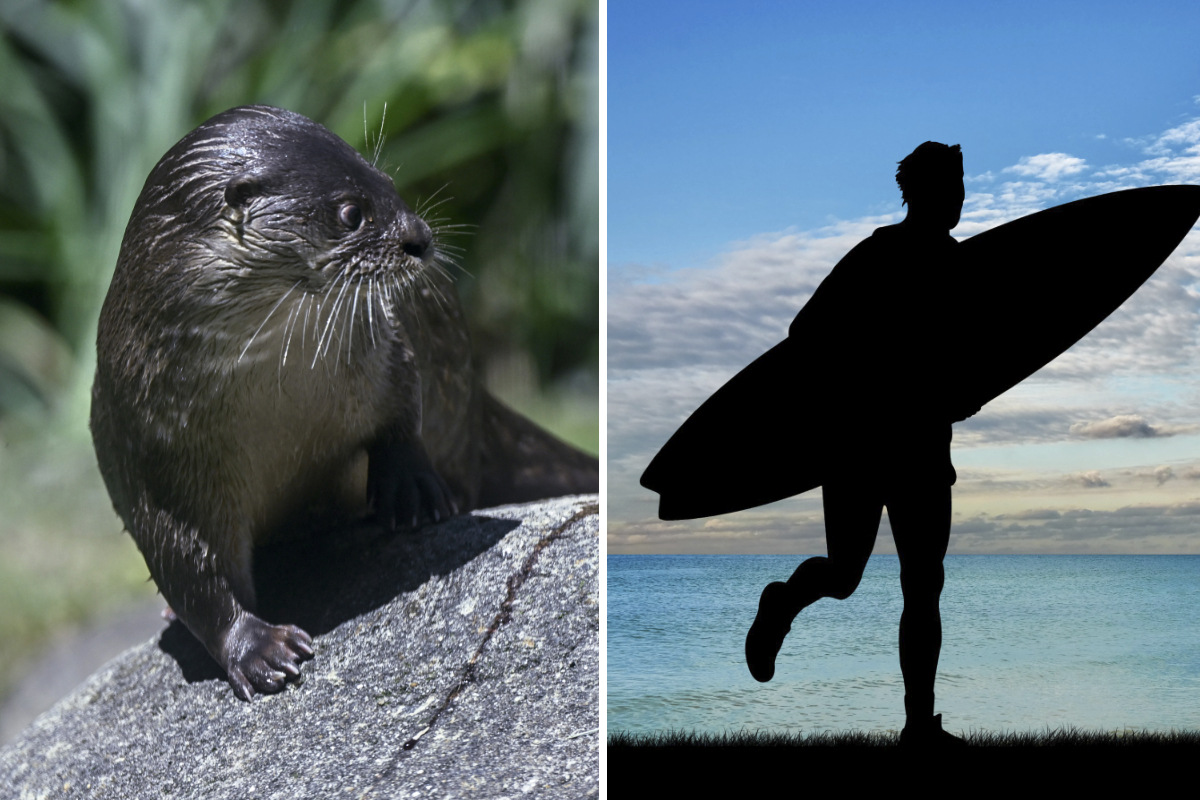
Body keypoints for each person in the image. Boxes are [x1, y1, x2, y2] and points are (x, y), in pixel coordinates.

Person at [744, 142, 974, 746]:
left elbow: (974, 359)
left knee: (923, 584)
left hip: (924, 449)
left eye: (961, 186)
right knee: (844, 576)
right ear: (921, 193)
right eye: (951, 187)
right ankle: (782, 602)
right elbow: (805, 332)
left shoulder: (960, 267)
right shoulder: (875, 254)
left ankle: (918, 726)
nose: (960, 198)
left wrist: (963, 395)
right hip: (859, 448)